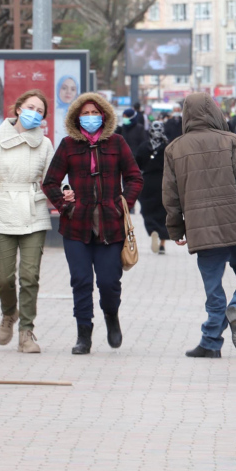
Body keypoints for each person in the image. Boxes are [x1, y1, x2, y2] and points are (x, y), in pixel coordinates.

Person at [163, 92, 236, 358]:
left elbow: (171, 196)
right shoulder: (231, 141)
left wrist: (175, 230)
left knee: (213, 286)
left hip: (201, 228)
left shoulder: (174, 149)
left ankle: (210, 341)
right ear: (215, 112)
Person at [42, 92, 143, 355]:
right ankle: (83, 334)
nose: (90, 118)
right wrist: (65, 204)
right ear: (77, 118)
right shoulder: (67, 145)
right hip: (76, 226)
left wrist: (123, 203)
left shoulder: (117, 142)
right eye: (84, 114)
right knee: (81, 281)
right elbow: (50, 182)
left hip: (111, 225)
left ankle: (112, 316)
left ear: (104, 116)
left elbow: (135, 178)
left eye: (94, 113)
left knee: (109, 282)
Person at [0, 90, 54, 353]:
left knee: (30, 276)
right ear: (18, 109)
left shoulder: (45, 144)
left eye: (40, 111)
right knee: (4, 279)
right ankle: (9, 313)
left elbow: (52, 180)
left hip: (33, 212)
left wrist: (64, 195)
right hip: (1, 212)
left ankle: (26, 332)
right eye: (30, 107)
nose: (34, 113)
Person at [135, 120, 170, 255]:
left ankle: (153, 230)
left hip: (148, 182)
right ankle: (162, 243)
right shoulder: (168, 147)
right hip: (164, 182)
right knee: (164, 212)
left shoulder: (144, 147)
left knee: (148, 210)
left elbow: (136, 165)